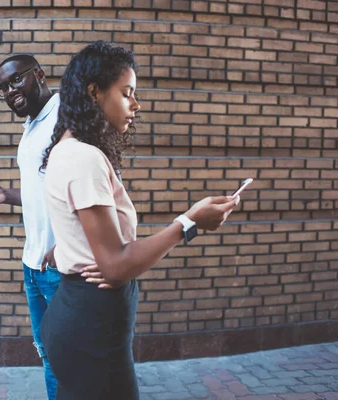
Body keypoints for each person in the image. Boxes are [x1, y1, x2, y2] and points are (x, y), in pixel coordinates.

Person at [40, 41, 240, 399]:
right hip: (91, 334)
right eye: (127, 93)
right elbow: (115, 267)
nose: (136, 104)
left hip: (84, 324)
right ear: (94, 93)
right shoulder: (83, 158)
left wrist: (70, 247)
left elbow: (82, 226)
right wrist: (189, 222)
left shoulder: (69, 149)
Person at [0, 54, 105, 399]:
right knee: (49, 357)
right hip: (33, 266)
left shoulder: (67, 117)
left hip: (63, 268)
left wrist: (70, 245)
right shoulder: (30, 127)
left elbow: (98, 185)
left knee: (72, 360)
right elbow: (44, 193)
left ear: (39, 75)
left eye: (15, 81)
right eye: (3, 88)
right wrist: (6, 196)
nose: (9, 91)